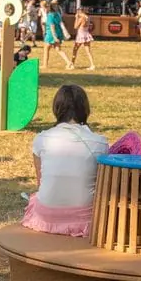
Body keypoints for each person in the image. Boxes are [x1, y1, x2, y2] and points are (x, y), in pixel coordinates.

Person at [22, 84, 111, 236]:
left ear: (56, 108)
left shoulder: (41, 139)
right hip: (86, 219)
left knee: (35, 198)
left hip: (47, 216)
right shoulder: (100, 143)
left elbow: (40, 182)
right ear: (85, 109)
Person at [41, 0, 74, 70]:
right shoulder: (58, 14)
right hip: (58, 33)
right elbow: (61, 24)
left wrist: (54, 37)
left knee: (46, 48)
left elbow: (52, 27)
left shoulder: (50, 15)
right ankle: (68, 62)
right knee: (58, 49)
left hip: (51, 34)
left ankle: (45, 65)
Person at [69, 4, 97, 71]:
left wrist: (76, 18)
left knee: (75, 50)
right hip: (86, 34)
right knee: (88, 51)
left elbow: (75, 27)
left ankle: (72, 64)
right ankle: (92, 65)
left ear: (80, 11)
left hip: (81, 35)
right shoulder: (88, 17)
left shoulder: (82, 18)